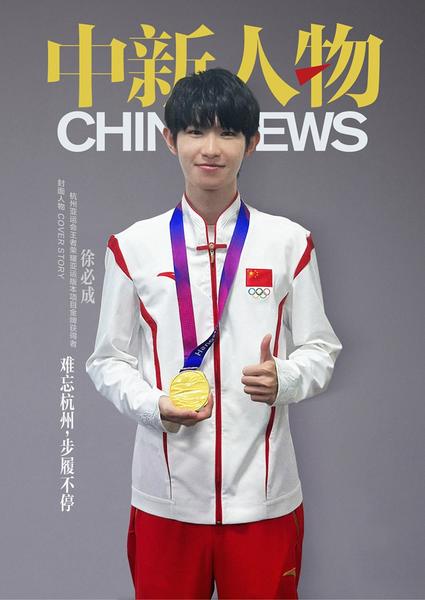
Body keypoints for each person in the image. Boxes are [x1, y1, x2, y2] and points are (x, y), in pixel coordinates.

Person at [86, 67, 342, 599]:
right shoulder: (133, 247)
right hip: (166, 498)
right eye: (195, 131)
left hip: (264, 497)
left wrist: (287, 378)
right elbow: (107, 360)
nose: (210, 148)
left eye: (227, 133)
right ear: (170, 139)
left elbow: (321, 347)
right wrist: (154, 405)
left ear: (252, 143)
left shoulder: (288, 242)